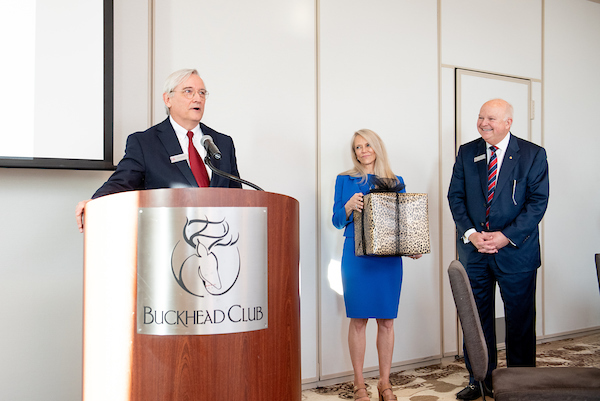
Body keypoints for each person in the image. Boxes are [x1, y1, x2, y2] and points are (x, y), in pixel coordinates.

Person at [447, 99, 549, 400]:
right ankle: (480, 380)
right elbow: (455, 198)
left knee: (519, 320)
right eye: (480, 117)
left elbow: (537, 204)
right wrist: (470, 234)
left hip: (517, 252)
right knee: (475, 320)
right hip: (474, 252)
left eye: (491, 118)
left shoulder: (532, 154)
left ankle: (522, 383)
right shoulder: (468, 152)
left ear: (508, 122)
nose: (483, 123)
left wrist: (505, 236)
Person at [75, 68, 241, 232]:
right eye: (188, 91)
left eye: (202, 93)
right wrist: (94, 203)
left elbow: (237, 196)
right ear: (167, 99)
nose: (197, 98)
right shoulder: (145, 143)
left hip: (219, 239)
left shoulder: (222, 143)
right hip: (168, 237)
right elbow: (121, 182)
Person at [332, 129, 421, 401]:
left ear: (377, 147)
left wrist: (412, 245)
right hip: (357, 258)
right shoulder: (345, 180)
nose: (363, 150)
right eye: (358, 147)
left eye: (367, 144)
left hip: (387, 260)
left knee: (386, 321)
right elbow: (336, 220)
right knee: (358, 320)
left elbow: (402, 220)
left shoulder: (396, 181)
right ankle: (359, 384)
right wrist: (347, 206)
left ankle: (385, 383)